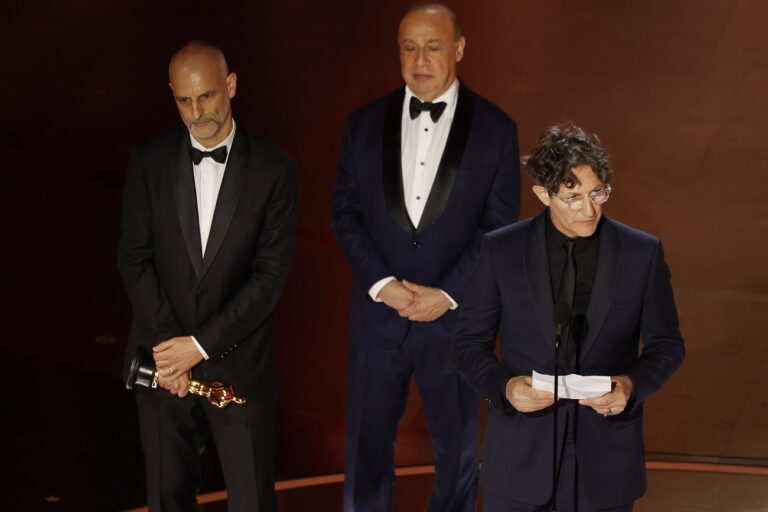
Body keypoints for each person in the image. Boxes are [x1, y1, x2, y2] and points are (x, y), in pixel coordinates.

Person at [331, 3, 520, 511]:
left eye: (433, 46)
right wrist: (381, 285)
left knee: (457, 456)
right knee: (366, 452)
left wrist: (448, 293)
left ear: (458, 49)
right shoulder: (363, 124)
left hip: (454, 325)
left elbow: (499, 228)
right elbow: (344, 214)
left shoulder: (496, 129)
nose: (420, 59)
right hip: (377, 320)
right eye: (409, 46)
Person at [450, 122, 685, 511]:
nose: (589, 208)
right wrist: (507, 388)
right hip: (519, 460)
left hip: (606, 461)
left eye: (598, 193)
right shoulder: (501, 251)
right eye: (573, 197)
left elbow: (668, 347)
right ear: (543, 193)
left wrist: (629, 385)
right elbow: (466, 344)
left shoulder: (641, 253)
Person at [117, 41, 298, 512]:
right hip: (161, 366)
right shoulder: (148, 160)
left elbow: (269, 277)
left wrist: (197, 346)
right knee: (166, 499)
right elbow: (134, 259)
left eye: (207, 97)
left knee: (251, 502)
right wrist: (169, 351)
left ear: (231, 86)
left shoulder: (275, 169)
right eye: (184, 100)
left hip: (239, 367)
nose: (197, 113)